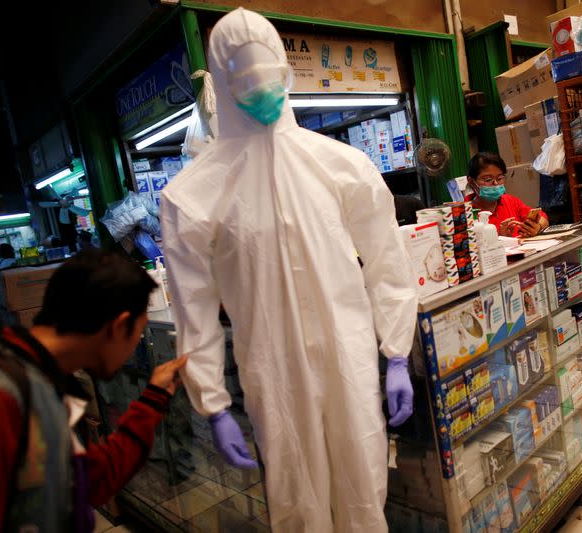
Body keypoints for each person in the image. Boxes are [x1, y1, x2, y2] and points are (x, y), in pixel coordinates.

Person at [160, 9, 418, 532]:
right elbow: (195, 309)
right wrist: (212, 403)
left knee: (364, 490)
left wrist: (396, 352)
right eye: (246, 81)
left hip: (349, 360)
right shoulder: (193, 194)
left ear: (286, 72)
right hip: (274, 376)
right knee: (298, 503)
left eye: (269, 77)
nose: (262, 93)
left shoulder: (340, 165)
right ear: (223, 84)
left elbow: (388, 260)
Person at [0, 249, 188, 532]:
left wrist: (154, 398)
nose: (134, 349)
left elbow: (86, 481)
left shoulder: (39, 381)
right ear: (118, 327)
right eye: (137, 335)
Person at [466, 152, 549, 237]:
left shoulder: (510, 201)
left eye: (500, 178)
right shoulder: (464, 212)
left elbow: (543, 218)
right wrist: (501, 238)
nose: (495, 183)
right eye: (488, 180)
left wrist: (537, 227)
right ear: (472, 182)